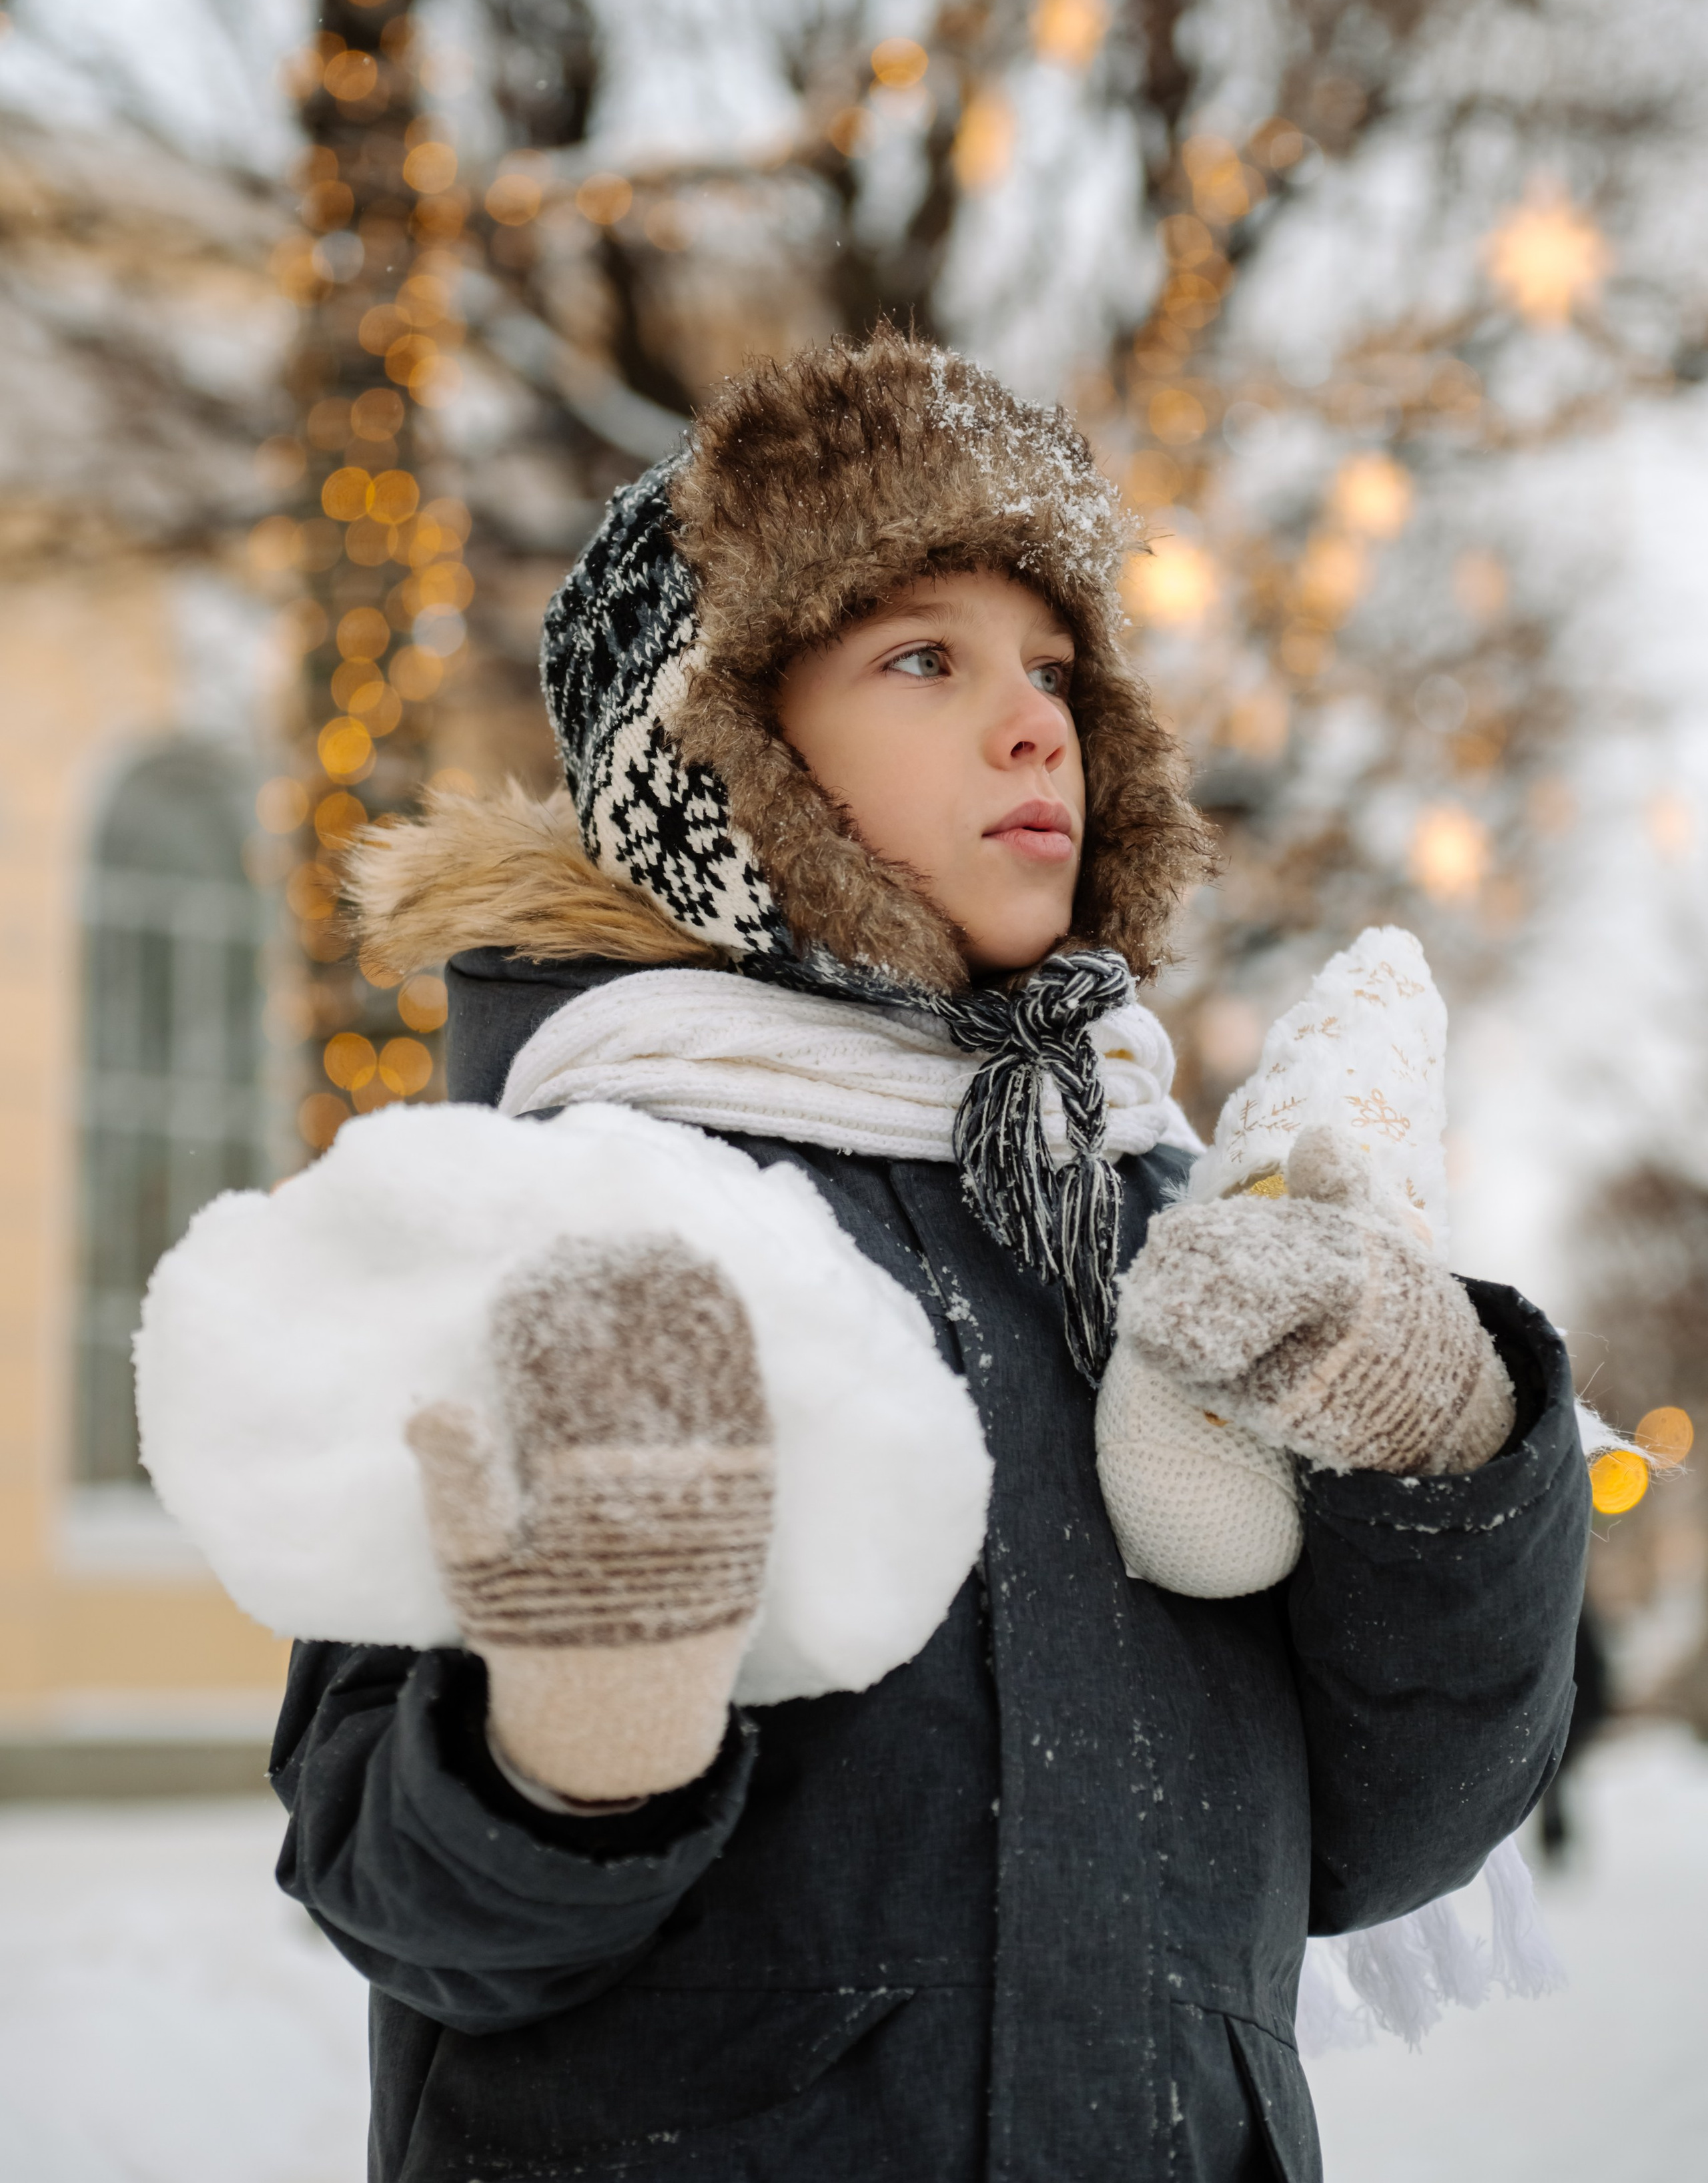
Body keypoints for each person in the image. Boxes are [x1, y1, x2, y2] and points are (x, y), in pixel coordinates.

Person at [271, 329, 1588, 2183]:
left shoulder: (1151, 1221)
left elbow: (1386, 1831)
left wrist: (1438, 1434)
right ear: (723, 746)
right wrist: (575, 1735)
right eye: (923, 656)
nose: (1038, 716)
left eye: (1052, 664)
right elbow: (386, 1887)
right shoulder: (575, 1208)